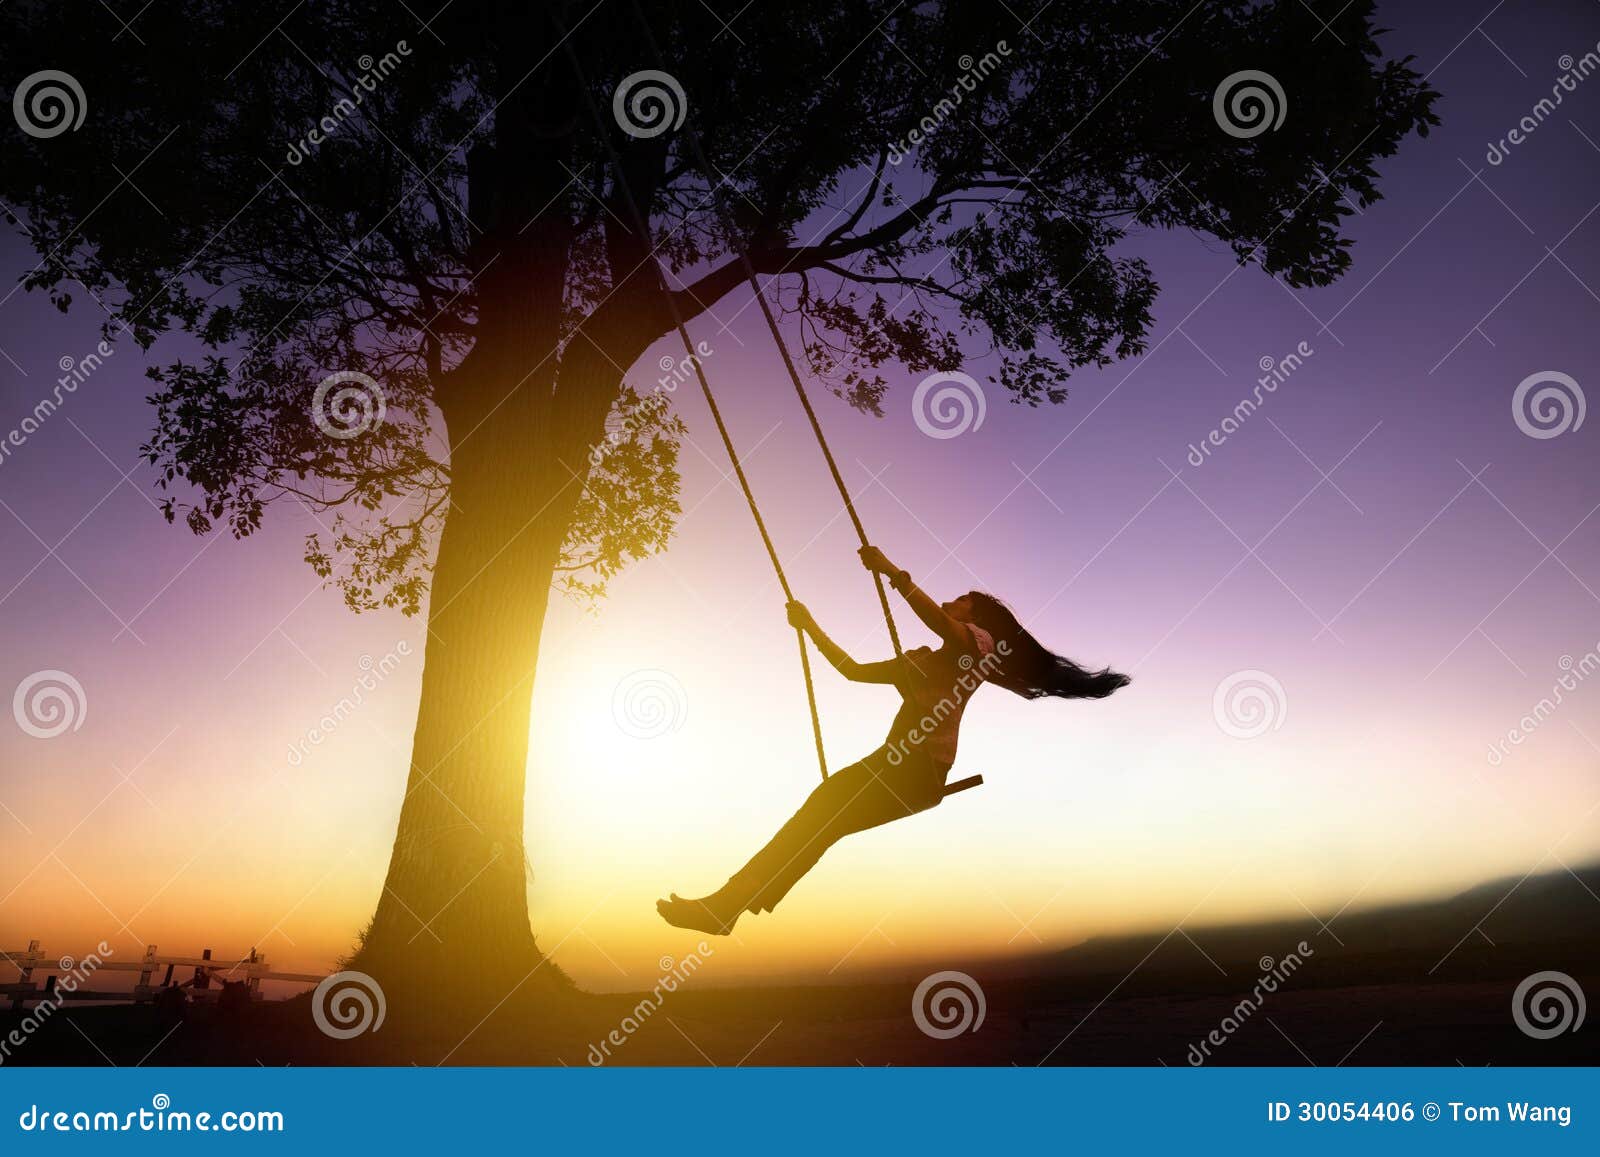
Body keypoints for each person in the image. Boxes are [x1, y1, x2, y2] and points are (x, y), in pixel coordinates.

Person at [656, 545, 1130, 934]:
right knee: (823, 821)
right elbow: (852, 671)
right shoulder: (923, 661)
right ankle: (730, 906)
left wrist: (894, 574)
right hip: (905, 771)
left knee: (821, 810)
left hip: (916, 769)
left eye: (961, 599)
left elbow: (940, 622)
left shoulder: (980, 646)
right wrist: (810, 626)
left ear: (977, 614)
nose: (952, 602)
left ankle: (728, 903)